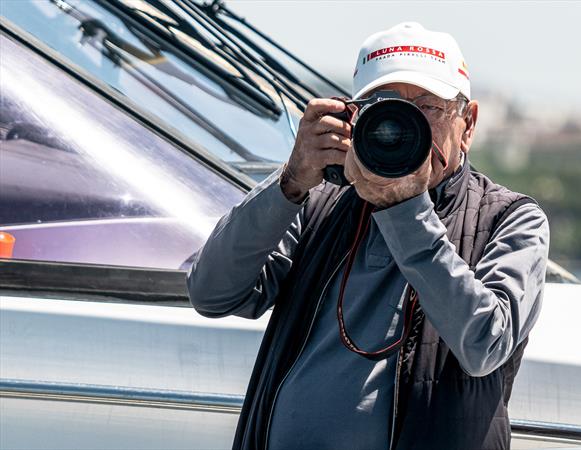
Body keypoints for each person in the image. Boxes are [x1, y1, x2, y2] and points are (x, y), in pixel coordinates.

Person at [187, 22, 549, 450]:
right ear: (352, 117)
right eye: (385, 107)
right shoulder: (320, 200)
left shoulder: (510, 218)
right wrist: (290, 182)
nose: (402, 125)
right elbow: (212, 294)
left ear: (467, 123)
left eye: (427, 107)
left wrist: (405, 210)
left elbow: (485, 343)